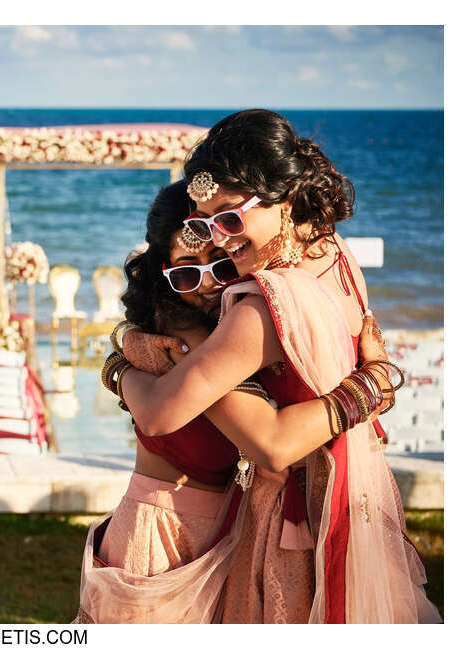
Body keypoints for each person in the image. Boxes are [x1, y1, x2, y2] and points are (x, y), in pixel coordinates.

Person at [117, 109, 439, 623]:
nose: (218, 240)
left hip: (295, 520)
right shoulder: (334, 255)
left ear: (282, 198)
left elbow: (249, 441)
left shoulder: (258, 308)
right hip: (354, 499)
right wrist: (374, 384)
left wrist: (125, 361)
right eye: (204, 224)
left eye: (228, 216)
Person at [75, 179, 396, 624]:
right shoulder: (185, 331)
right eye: (187, 271)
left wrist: (120, 360)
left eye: (221, 265)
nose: (207, 284)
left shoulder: (235, 326)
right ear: (165, 272)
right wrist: (371, 385)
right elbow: (160, 418)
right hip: (159, 532)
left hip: (223, 532)